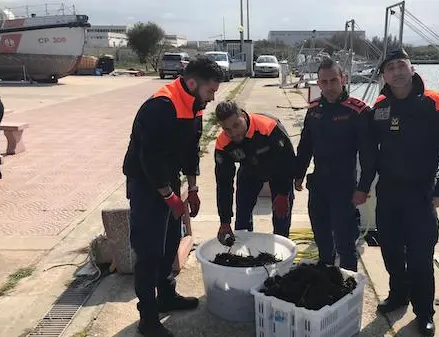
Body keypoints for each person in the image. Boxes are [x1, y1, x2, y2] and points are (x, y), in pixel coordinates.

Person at [121, 56, 223, 337]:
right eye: (210, 91)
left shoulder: (195, 105)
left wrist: (192, 189)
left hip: (169, 179)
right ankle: (148, 317)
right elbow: (148, 159)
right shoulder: (160, 106)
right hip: (145, 183)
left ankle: (167, 295)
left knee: (169, 242)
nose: (212, 98)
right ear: (192, 83)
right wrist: (168, 196)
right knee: (149, 251)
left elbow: (192, 151)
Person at [370, 47, 439, 337]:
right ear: (384, 74)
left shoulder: (435, 102)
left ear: (411, 68)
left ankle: (424, 312)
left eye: (401, 65)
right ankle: (398, 295)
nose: (396, 71)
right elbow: (369, 146)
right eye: (390, 67)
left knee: (421, 257)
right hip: (388, 194)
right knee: (391, 251)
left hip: (421, 195)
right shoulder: (381, 104)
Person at [294, 57, 376, 272]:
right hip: (319, 185)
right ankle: (326, 281)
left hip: (345, 187)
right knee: (322, 240)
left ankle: (349, 286)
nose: (329, 87)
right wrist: (298, 174)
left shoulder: (358, 111)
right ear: (318, 83)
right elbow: (305, 145)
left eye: (333, 81)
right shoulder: (314, 110)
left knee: (345, 244)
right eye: (324, 82)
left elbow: (369, 157)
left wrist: (363, 188)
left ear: (343, 79)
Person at [214, 100, 295, 246]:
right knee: (242, 220)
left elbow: (288, 162)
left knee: (281, 215)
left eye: (236, 125)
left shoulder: (268, 128)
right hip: (249, 170)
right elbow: (223, 183)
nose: (233, 133)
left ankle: (282, 253)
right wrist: (224, 221)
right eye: (227, 129)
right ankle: (245, 254)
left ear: (243, 116)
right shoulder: (223, 143)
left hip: (277, 169)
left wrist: (284, 193)